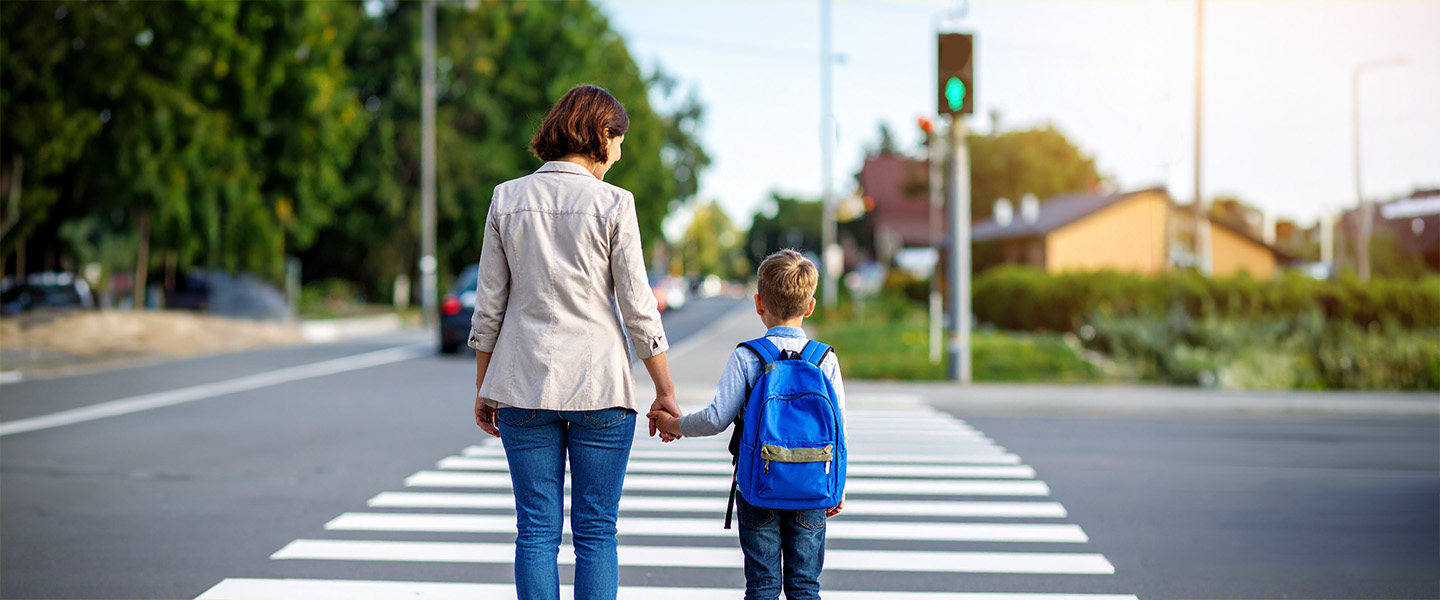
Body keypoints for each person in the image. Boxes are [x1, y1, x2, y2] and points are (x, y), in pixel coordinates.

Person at [469, 84, 680, 600]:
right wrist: (664, 389)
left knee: (536, 533)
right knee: (596, 532)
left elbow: (489, 304)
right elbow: (637, 305)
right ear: (601, 135)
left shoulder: (507, 198)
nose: (618, 157)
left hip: (523, 385)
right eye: (619, 143)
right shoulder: (614, 204)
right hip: (601, 386)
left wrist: (484, 386)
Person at [649, 249, 846, 600]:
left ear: (759, 304)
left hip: (758, 487)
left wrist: (673, 424)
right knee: (805, 586)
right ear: (811, 306)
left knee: (762, 585)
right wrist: (838, 484)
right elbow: (838, 429)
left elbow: (715, 419)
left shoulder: (747, 356)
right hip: (812, 486)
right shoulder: (825, 360)